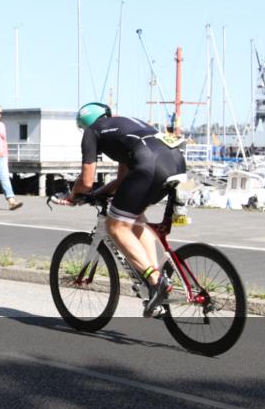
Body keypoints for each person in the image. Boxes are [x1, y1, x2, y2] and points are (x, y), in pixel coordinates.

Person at [66, 102, 186, 317]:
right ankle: (155, 283)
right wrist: (99, 193)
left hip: (150, 165)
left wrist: (73, 195)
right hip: (175, 160)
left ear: (84, 124)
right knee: (135, 217)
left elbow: (85, 181)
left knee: (116, 226)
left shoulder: (92, 132)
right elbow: (123, 181)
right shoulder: (126, 125)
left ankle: (155, 281)